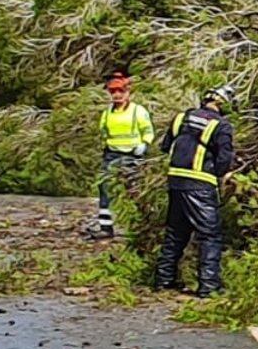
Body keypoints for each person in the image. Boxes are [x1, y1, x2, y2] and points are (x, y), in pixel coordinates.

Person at [153, 86, 235, 297]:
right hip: (200, 185)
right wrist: (219, 175)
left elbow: (165, 146)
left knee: (176, 231)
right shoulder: (221, 126)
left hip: (175, 181)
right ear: (223, 104)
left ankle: (164, 280)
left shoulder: (181, 117)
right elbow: (224, 160)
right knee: (210, 235)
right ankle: (209, 287)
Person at [95, 70, 154, 239]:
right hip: (111, 154)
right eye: (113, 92)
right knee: (105, 187)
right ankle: (105, 227)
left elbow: (148, 131)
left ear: (128, 92)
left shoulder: (138, 111)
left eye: (121, 91)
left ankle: (143, 226)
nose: (117, 95)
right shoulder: (107, 113)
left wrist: (144, 144)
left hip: (133, 156)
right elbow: (104, 132)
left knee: (134, 190)